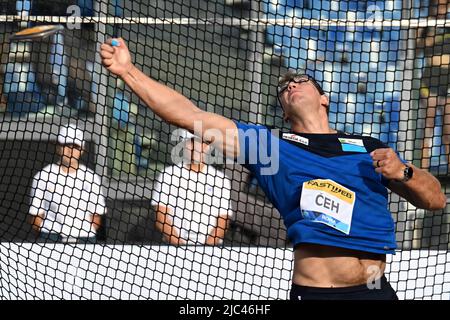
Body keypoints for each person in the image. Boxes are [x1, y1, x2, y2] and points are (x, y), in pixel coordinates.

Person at [100, 39, 447, 300]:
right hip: (318, 293)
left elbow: (435, 201)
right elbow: (190, 115)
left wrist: (403, 172)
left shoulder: (368, 147)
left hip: (375, 289)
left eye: (299, 80)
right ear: (282, 112)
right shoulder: (272, 146)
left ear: (324, 98)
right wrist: (128, 71)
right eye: (282, 89)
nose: (290, 85)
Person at [151, 129, 233, 245]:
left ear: (208, 147)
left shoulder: (220, 179)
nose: (198, 147)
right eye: (192, 142)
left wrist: (207, 248)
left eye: (202, 143)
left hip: (210, 251)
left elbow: (223, 220)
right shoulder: (168, 175)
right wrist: (181, 247)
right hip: (174, 250)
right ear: (184, 145)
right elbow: (161, 218)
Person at [28, 123, 106, 243]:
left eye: (75, 146)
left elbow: (96, 216)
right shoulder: (43, 176)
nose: (70, 150)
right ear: (58, 148)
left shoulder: (91, 178)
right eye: (66, 145)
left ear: (82, 150)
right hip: (50, 238)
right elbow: (36, 216)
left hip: (85, 239)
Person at [417, 0, 450, 171]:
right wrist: (431, 24)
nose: (441, 8)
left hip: (448, 83)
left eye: (444, 5)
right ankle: (423, 173)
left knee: (448, 133)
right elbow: (421, 47)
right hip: (430, 82)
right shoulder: (426, 24)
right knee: (427, 130)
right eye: (438, 5)